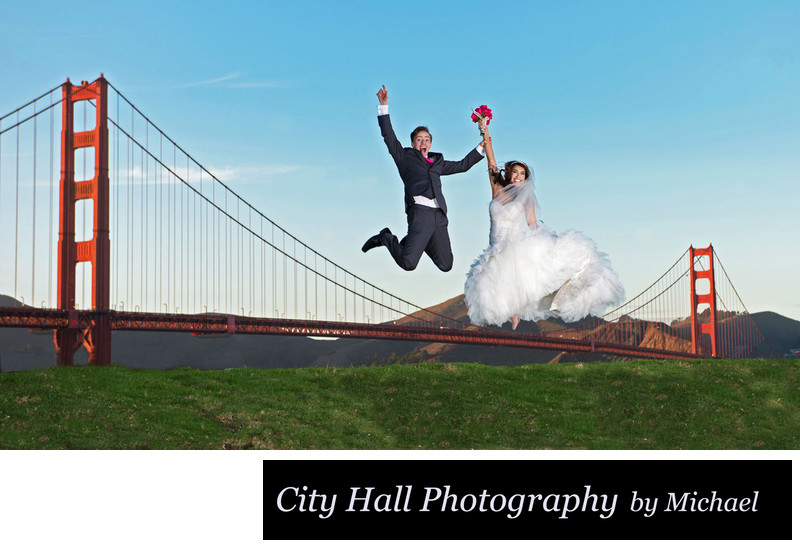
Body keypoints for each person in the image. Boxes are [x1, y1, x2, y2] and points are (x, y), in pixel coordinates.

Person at [464, 118, 624, 329]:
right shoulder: (497, 189)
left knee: (526, 280)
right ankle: (511, 314)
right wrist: (484, 131)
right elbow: (491, 163)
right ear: (509, 173)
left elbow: (531, 222)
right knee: (492, 287)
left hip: (515, 245)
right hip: (496, 247)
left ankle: (522, 311)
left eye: (523, 173)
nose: (519, 176)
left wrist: (551, 241)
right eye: (516, 172)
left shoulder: (526, 197)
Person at [362, 85, 486, 272]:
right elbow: (389, 136)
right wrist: (383, 107)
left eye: (427, 139)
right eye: (419, 139)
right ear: (413, 143)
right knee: (408, 263)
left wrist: (482, 148)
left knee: (446, 265)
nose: (423, 142)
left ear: (431, 143)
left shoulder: (438, 162)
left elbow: (463, 165)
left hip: (439, 216)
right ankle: (386, 238)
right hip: (420, 213)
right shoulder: (405, 157)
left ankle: (420, 241)